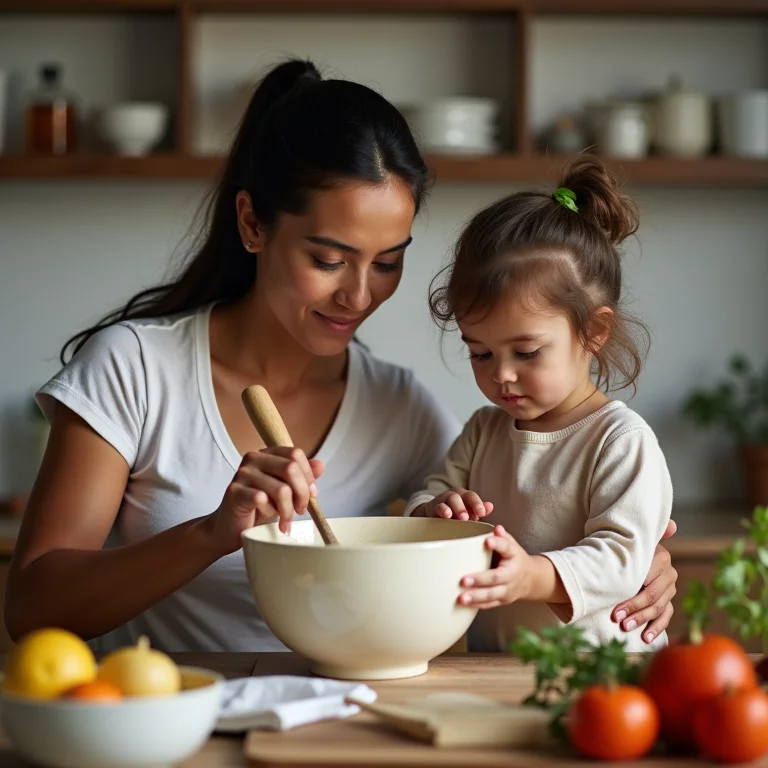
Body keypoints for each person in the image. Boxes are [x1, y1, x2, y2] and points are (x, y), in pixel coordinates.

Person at [5, 60, 678, 653]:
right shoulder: (132, 369)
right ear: (252, 223)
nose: (359, 296)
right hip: (171, 716)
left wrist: (635, 566)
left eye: (387, 263)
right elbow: (31, 609)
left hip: (344, 721)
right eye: (329, 259)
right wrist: (210, 533)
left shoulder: (399, 407)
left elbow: (505, 517)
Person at [406, 156, 673, 652]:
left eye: (526, 352)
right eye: (480, 352)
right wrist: (434, 511)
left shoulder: (619, 440)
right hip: (498, 668)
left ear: (593, 331)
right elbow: (429, 497)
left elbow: (623, 559)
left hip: (601, 670)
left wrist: (532, 575)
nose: (501, 374)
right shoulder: (483, 432)